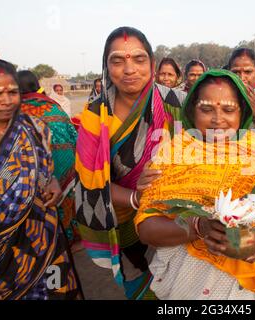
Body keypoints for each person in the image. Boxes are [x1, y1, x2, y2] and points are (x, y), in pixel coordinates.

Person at [135, 69, 255, 300]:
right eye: (207, 109)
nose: (218, 119)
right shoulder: (171, 154)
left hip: (241, 290)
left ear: (242, 113)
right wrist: (198, 226)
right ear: (192, 111)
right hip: (182, 284)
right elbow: (147, 228)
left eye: (228, 109)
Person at [75, 26, 186, 299]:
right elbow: (92, 183)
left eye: (138, 59)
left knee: (183, 287)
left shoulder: (178, 102)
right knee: (142, 287)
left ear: (152, 63)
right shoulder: (94, 115)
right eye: (117, 60)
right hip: (124, 221)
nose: (129, 69)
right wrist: (138, 197)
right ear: (106, 66)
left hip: (179, 217)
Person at [0, 57, 80, 300]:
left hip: (45, 247)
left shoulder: (32, 128)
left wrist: (53, 184)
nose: (7, 100)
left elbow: (44, 172)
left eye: (13, 92)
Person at [17, 70, 79, 248]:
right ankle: (70, 235)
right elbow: (73, 135)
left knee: (44, 204)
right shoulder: (53, 106)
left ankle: (51, 241)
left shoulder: (16, 111)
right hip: (65, 160)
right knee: (67, 199)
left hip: (38, 168)